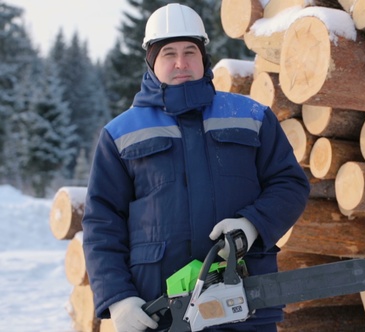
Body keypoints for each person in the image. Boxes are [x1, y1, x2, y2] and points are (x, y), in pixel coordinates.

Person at [82, 3, 310, 332]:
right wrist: (117, 297)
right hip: (161, 309)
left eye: (190, 51)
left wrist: (253, 225)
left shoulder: (252, 117)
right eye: (168, 53)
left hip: (245, 301)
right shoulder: (120, 134)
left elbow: (290, 184)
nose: (180, 63)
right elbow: (102, 224)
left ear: (204, 56)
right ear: (151, 61)